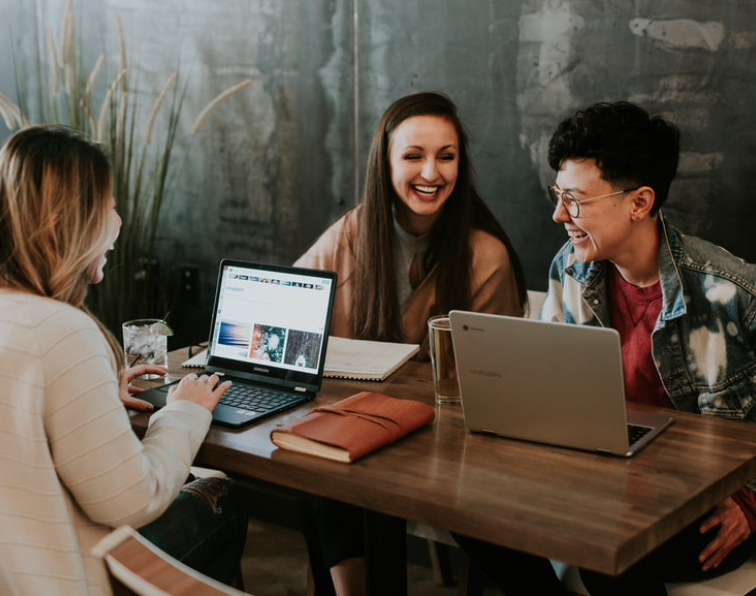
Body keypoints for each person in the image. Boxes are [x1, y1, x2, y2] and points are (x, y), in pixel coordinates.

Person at [454, 100, 756, 596]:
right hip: (598, 484)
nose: (558, 215)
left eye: (575, 200)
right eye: (558, 195)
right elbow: (547, 394)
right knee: (466, 510)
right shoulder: (569, 269)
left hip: (699, 506)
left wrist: (750, 501)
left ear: (639, 203)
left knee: (605, 541)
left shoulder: (731, 292)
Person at [295, 91, 527, 596]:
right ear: (386, 162)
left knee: (329, 466)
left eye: (446, 156)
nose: (431, 172)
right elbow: (294, 301)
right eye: (413, 155)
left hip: (445, 446)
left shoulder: (484, 256)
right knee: (316, 460)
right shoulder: (356, 230)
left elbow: (494, 384)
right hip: (359, 429)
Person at [0, 125, 249, 595]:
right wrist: (184, 411)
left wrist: (93, 397)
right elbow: (131, 501)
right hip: (57, 578)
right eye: (109, 207)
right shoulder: (60, 330)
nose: (118, 222)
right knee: (221, 498)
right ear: (63, 224)